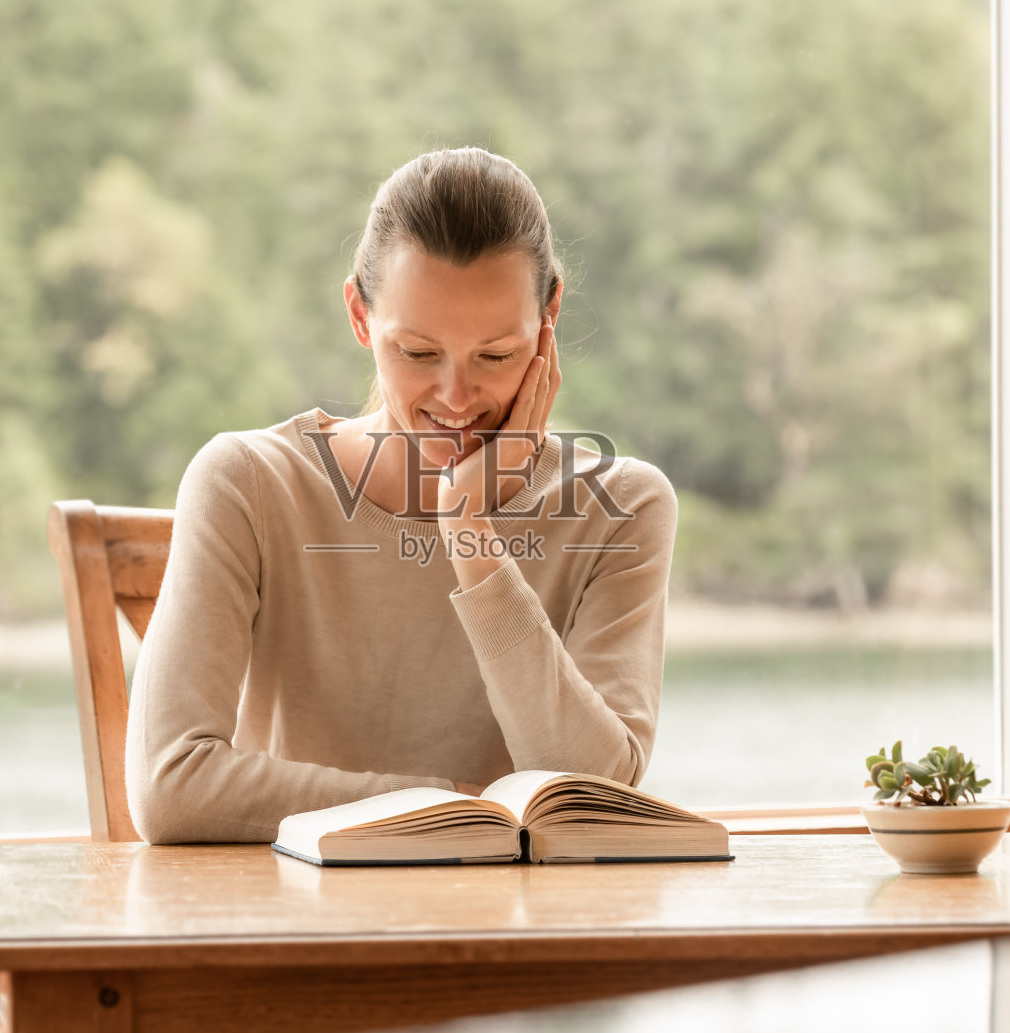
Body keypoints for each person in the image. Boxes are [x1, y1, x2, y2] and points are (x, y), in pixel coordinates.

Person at [125, 146, 679, 843]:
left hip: (525, 937)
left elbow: (590, 803)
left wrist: (468, 529)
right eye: (418, 353)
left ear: (550, 315)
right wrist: (448, 806)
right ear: (359, 316)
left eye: (496, 355)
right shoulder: (248, 481)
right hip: (297, 930)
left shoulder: (622, 508)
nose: (455, 396)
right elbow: (169, 788)